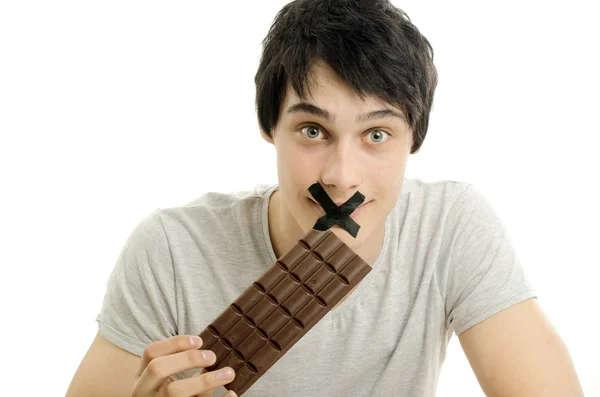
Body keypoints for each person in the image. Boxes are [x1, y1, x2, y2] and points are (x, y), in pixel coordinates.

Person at [66, 0, 584, 396]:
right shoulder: (172, 251)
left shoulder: (449, 229)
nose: (341, 177)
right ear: (270, 126)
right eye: (313, 131)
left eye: (376, 135)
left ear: (414, 141)